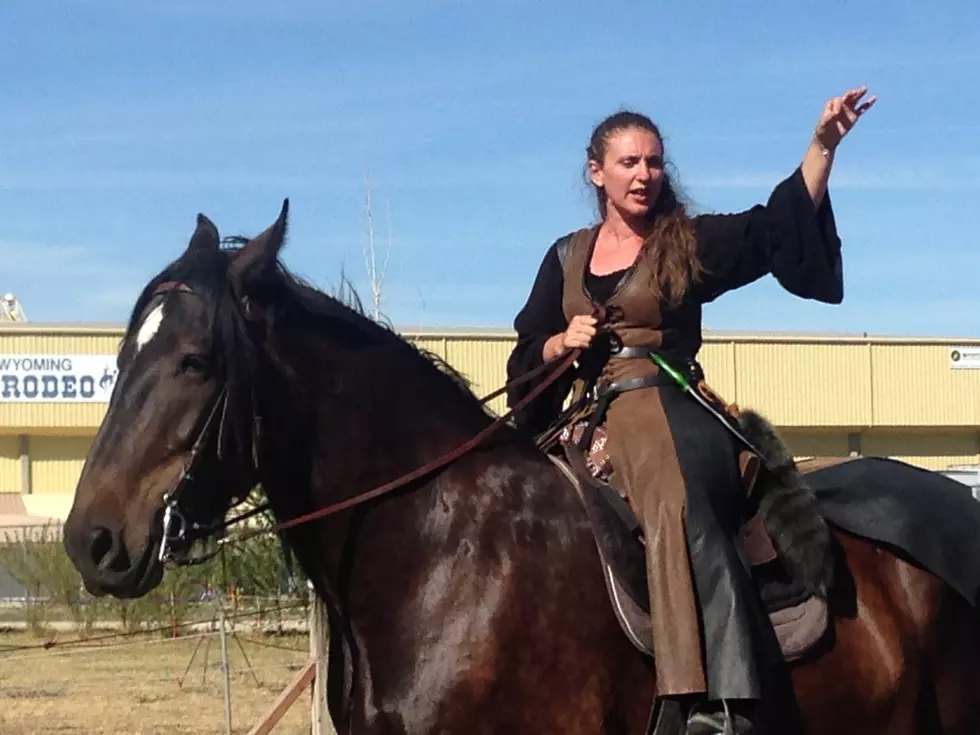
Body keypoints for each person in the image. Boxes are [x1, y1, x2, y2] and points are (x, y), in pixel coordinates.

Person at [505, 87, 876, 734]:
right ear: (597, 171)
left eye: (653, 162)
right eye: (628, 163)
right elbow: (526, 356)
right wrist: (561, 343)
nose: (644, 174)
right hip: (585, 415)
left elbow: (772, 229)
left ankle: (717, 699)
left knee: (672, 496)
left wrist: (822, 147)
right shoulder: (564, 255)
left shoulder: (686, 241)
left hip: (668, 403)